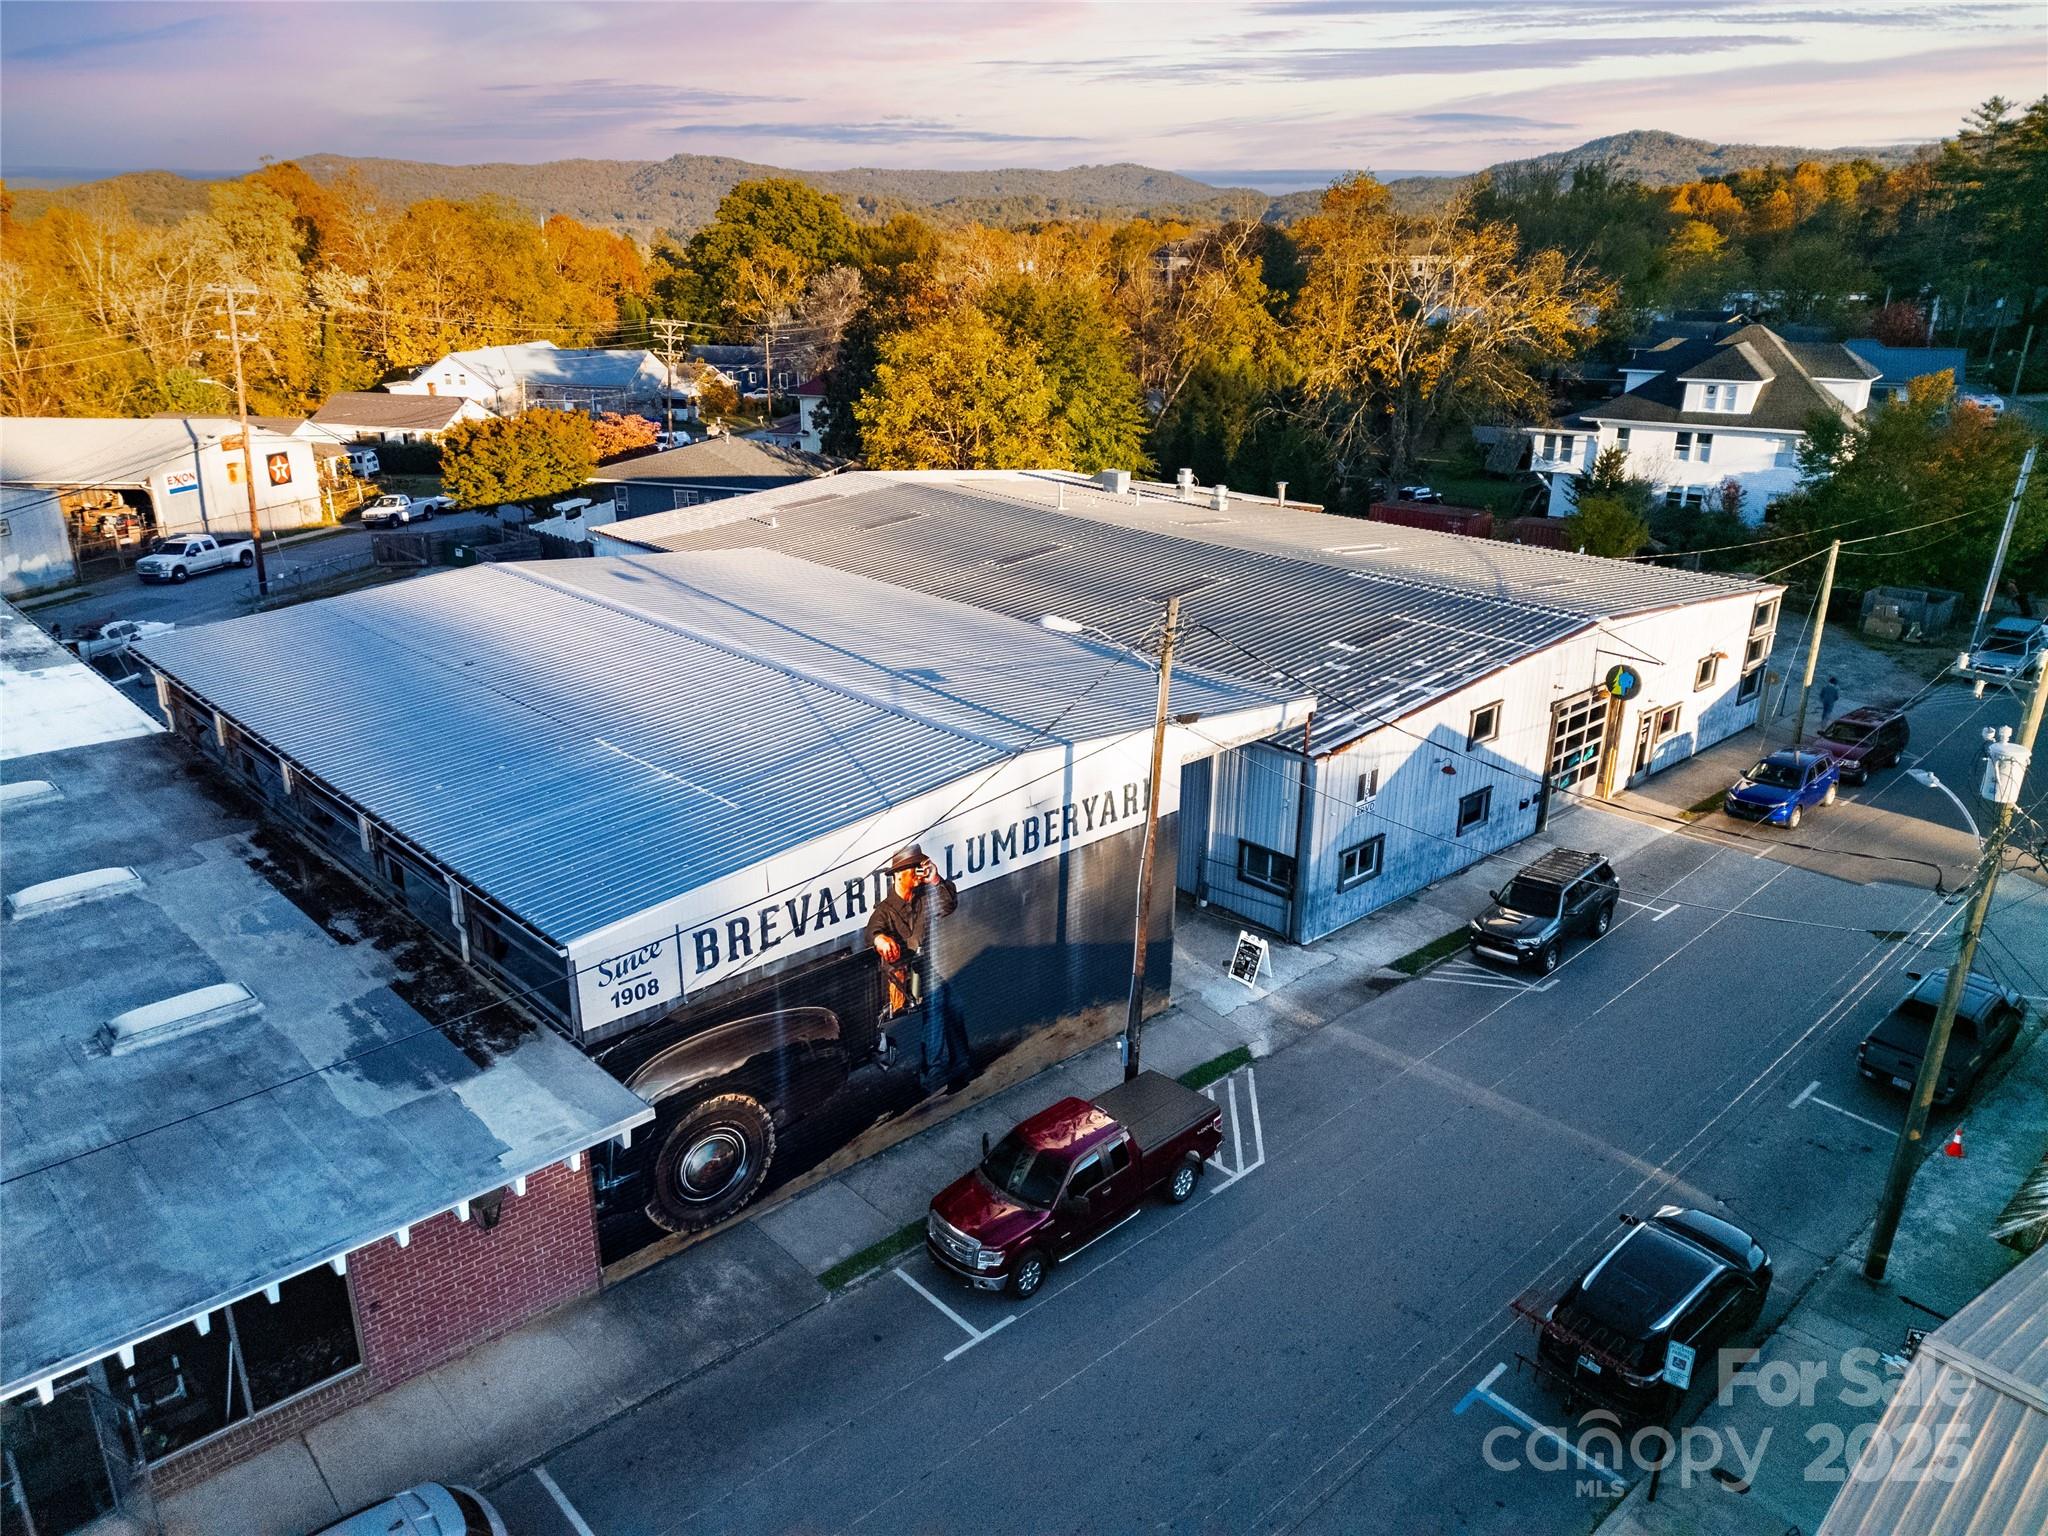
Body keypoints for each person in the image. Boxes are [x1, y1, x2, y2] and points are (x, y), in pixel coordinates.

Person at [864, 844, 968, 1093]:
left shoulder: (923, 898)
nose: (919, 872)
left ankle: (961, 1064)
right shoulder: (886, 910)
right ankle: (933, 1073)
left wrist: (935, 879)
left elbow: (948, 905)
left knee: (955, 1005)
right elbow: (873, 931)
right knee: (937, 1001)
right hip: (900, 978)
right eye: (915, 868)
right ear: (900, 874)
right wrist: (880, 940)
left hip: (923, 970)